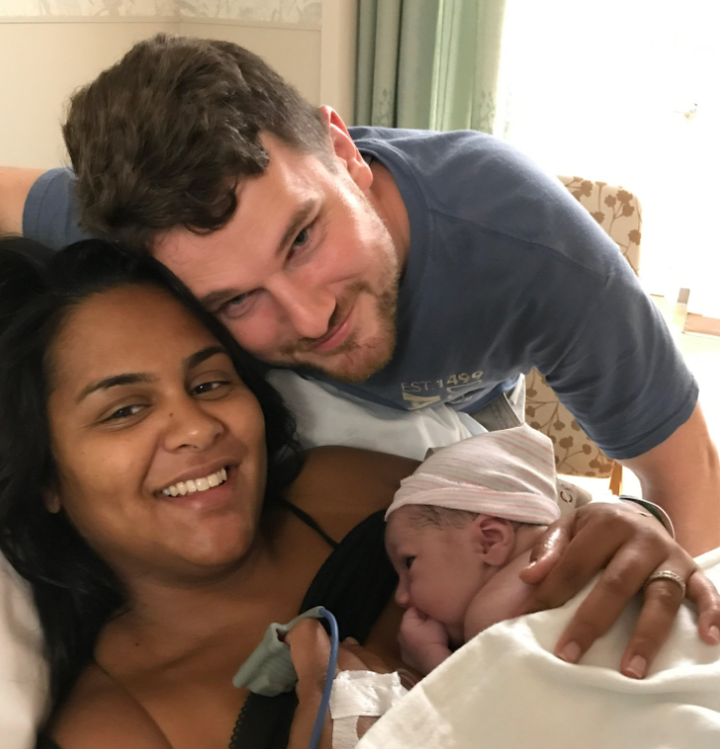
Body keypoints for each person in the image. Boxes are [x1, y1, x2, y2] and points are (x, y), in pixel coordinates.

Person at [0, 35, 717, 557]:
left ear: (343, 150)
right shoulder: (137, 231)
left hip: (475, 415)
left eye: (303, 237)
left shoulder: (525, 242)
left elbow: (687, 478)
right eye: (234, 300)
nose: (311, 318)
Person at [1, 236, 718, 749]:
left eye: (209, 381)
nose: (194, 426)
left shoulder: (338, 485)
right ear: (45, 476)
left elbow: (540, 518)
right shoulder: (121, 725)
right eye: (124, 409)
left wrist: (632, 528)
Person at [384, 425, 677, 676]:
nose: (401, 596)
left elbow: (486, 720)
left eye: (408, 563)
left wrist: (431, 660)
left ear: (490, 540)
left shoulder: (494, 611)